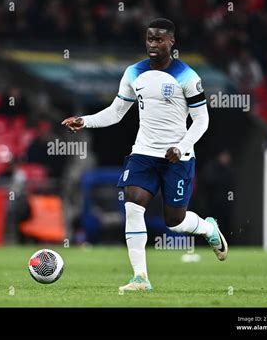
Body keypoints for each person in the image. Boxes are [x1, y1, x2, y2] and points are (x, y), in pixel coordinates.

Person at [62, 18, 228, 292]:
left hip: (178, 157)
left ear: (171, 42)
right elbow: (116, 112)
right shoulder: (133, 73)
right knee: (133, 203)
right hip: (143, 153)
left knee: (174, 221)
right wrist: (85, 120)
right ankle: (140, 278)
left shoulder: (188, 76)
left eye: (159, 39)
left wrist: (182, 147)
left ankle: (208, 229)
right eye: (150, 39)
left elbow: (201, 121)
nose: (153, 44)